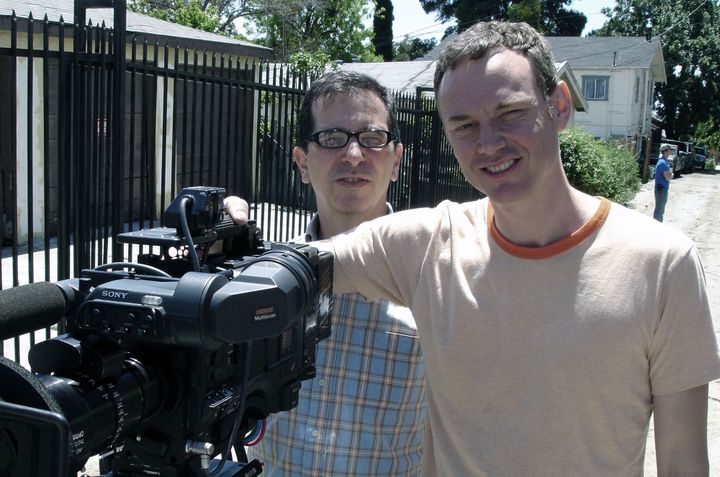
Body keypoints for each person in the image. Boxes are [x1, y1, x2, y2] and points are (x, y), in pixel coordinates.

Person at [228, 21, 720, 476]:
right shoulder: (425, 245)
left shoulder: (663, 264)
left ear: (560, 106)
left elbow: (683, 465)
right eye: (463, 125)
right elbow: (299, 264)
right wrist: (226, 241)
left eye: (510, 113)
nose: (488, 142)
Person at [244, 71, 427, 476]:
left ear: (396, 161)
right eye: (332, 138)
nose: (354, 155)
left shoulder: (433, 282)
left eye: (373, 138)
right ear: (302, 162)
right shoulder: (259, 279)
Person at [654, 144, 673, 221]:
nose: (670, 151)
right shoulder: (663, 163)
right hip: (661, 189)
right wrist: (672, 174)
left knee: (659, 209)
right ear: (665, 151)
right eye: (669, 149)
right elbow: (668, 177)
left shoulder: (663, 161)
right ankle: (657, 227)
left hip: (661, 189)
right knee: (660, 210)